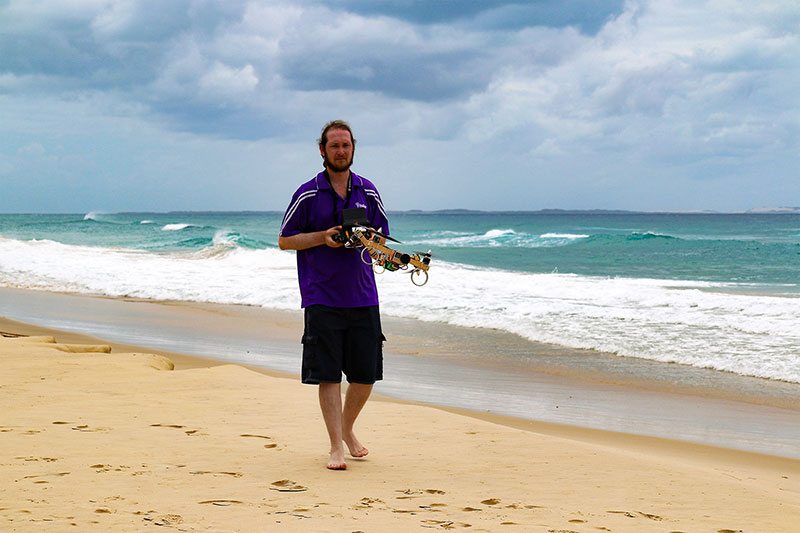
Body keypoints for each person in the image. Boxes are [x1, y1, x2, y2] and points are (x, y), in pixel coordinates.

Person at [278, 120, 389, 470]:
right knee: (327, 375)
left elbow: (383, 242)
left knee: (365, 375)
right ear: (322, 150)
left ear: (353, 148)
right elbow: (285, 239)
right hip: (321, 296)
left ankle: (347, 429)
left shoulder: (368, 191)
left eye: (346, 145)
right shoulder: (307, 193)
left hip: (363, 296)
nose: (341, 151)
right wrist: (322, 236)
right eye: (334, 145)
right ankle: (335, 447)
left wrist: (370, 241)